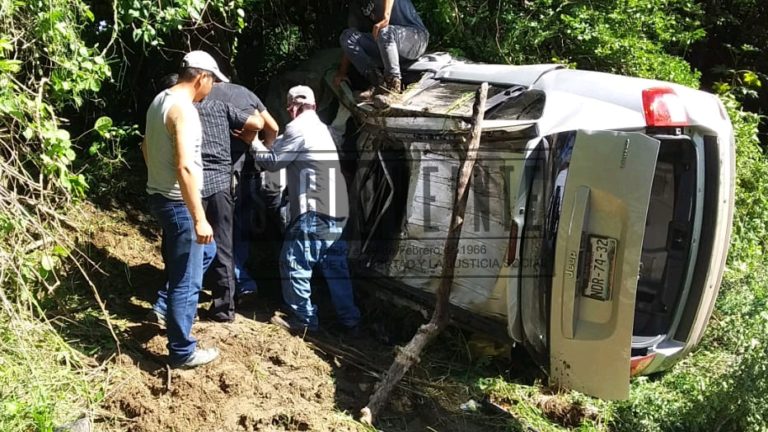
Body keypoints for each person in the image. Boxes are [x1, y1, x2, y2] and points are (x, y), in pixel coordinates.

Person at [141, 50, 226, 368]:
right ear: (202, 77)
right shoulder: (184, 110)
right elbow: (185, 167)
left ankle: (165, 307)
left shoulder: (160, 100)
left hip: (162, 199)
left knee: (206, 253)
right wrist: (199, 217)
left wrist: (157, 179)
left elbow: (146, 147)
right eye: (213, 82)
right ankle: (182, 351)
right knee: (187, 282)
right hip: (179, 205)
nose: (212, 88)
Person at [252, 85, 361, 333]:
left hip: (315, 208)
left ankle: (303, 320)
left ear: (292, 107)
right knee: (335, 267)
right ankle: (350, 320)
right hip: (338, 209)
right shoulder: (321, 129)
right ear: (314, 105)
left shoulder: (297, 127)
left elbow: (272, 162)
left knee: (293, 262)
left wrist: (254, 142)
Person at [205, 83, 280, 302]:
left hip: (219, 174)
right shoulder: (247, 93)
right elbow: (273, 128)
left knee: (220, 229)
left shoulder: (204, 95)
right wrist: (263, 146)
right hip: (250, 175)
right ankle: (242, 282)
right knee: (240, 232)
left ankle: (235, 281)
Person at [195, 94, 266, 322]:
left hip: (192, 184)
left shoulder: (181, 108)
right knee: (225, 246)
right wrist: (249, 138)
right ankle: (225, 308)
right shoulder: (222, 106)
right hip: (223, 183)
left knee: (190, 245)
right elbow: (262, 123)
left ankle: (184, 300)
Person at [334, 0, 429, 96]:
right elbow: (352, 41)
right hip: (387, 48)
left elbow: (384, 27)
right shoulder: (357, 6)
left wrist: (385, 17)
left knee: (385, 31)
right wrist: (342, 72)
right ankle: (378, 83)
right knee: (347, 36)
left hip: (415, 40)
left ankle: (392, 87)